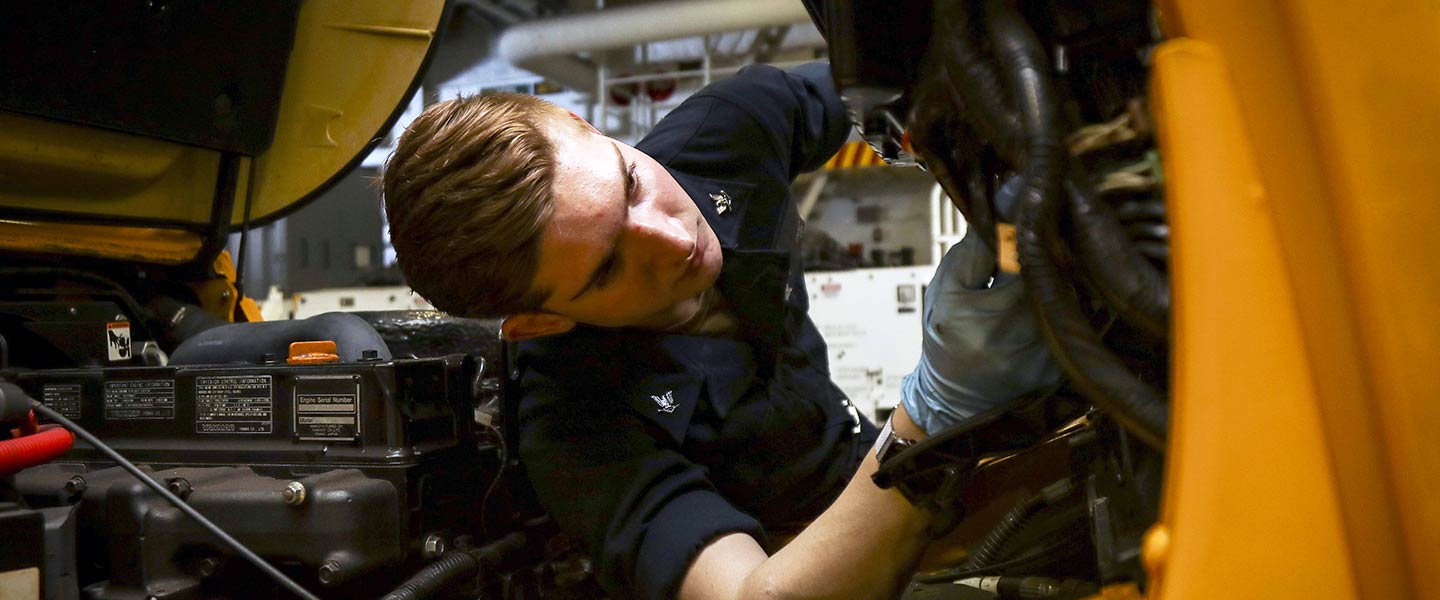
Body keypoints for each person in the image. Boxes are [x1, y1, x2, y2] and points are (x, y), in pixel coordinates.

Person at [383, 62, 1057, 600]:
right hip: (820, 558)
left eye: (631, 182)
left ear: (581, 123)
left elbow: (897, 85)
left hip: (884, 471)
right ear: (541, 321)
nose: (675, 237)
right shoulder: (574, 428)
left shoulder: (723, 132)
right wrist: (928, 423)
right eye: (610, 264)